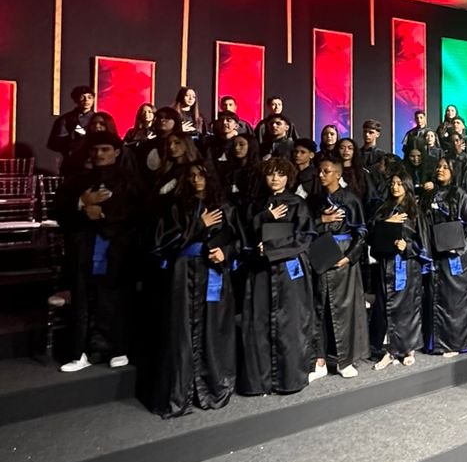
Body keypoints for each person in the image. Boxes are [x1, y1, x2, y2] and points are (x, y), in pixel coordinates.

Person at [152, 158, 239, 415]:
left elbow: (238, 241)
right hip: (184, 273)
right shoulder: (177, 207)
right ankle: (182, 392)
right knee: (182, 328)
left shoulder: (224, 207)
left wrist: (225, 252)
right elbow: (163, 242)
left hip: (213, 273)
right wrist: (199, 225)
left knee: (213, 327)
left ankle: (212, 388)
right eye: (191, 175)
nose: (196, 180)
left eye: (201, 175)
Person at [53, 133, 138, 371]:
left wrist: (103, 215)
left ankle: (117, 348)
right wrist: (81, 202)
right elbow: (58, 212)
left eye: (105, 149)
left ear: (117, 152)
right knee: (82, 299)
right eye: (95, 149)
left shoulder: (129, 181)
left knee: (115, 299)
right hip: (83, 249)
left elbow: (138, 214)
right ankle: (80, 352)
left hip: (116, 248)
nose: (99, 154)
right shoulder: (77, 181)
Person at [237, 157, 314, 396]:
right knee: (258, 322)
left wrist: (272, 248)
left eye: (280, 174)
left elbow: (304, 237)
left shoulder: (297, 204)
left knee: (290, 322)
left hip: (289, 270)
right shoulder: (255, 205)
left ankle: (289, 379)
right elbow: (244, 235)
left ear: (288, 177)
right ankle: (260, 381)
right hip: (260, 270)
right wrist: (264, 218)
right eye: (271, 173)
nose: (275, 178)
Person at [308, 155, 369, 380]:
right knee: (318, 306)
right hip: (320, 253)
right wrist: (321, 221)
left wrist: (348, 258)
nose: (321, 175)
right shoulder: (314, 201)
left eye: (326, 171)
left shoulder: (351, 199)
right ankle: (319, 361)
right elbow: (304, 229)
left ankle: (345, 360)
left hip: (343, 255)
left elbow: (361, 232)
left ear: (338, 174)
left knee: (345, 308)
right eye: (320, 171)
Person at [419, 156, 467, 354]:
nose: (440, 170)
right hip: (435, 253)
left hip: (456, 256)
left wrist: (458, 248)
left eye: (445, 167)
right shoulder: (429, 195)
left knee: (455, 301)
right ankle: (436, 343)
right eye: (438, 166)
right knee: (436, 296)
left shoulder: (461, 195)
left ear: (454, 171)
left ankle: (456, 343)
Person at [368, 174, 424, 369]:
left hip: (406, 265)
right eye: (392, 183)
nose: (395, 187)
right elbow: (372, 236)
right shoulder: (383, 209)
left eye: (400, 184)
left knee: (407, 308)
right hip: (386, 264)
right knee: (387, 307)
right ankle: (390, 351)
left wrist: (407, 247)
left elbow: (423, 242)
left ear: (407, 186)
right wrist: (387, 223)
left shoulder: (415, 211)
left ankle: (409, 349)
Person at [47, 85, 116, 172]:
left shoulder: (100, 118)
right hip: (73, 161)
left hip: (97, 159)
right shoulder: (67, 119)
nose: (86, 100)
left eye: (89, 97)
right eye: (82, 97)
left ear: (93, 99)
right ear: (75, 100)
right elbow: (55, 143)